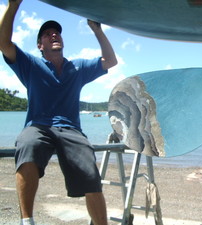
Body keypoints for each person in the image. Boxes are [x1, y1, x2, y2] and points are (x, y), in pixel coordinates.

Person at [0, 0, 117, 224]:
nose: (54, 35)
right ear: (40, 45)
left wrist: (96, 29)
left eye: (57, 33)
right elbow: (3, 42)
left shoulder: (78, 67)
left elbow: (110, 60)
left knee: (90, 170)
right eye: (47, 34)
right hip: (38, 126)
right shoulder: (30, 64)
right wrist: (13, 6)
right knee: (27, 144)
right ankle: (27, 221)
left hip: (71, 130)